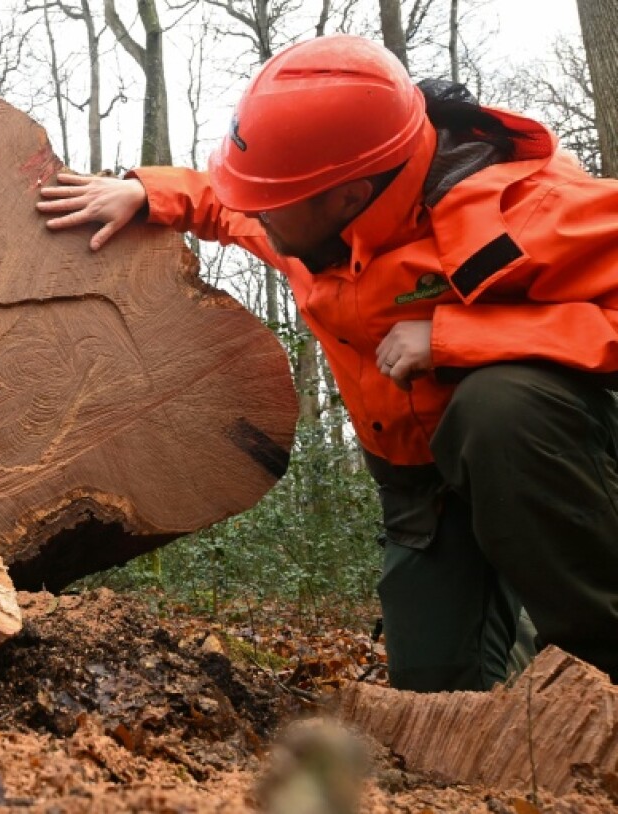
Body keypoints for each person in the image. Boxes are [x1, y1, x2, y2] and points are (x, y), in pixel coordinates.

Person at [37, 34, 618, 692]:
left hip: (533, 450)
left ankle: (602, 670)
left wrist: (453, 337)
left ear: (348, 196)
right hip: (419, 490)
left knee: (501, 408)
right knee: (438, 695)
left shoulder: (522, 211)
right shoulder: (311, 217)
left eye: (270, 201)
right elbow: (231, 207)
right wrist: (145, 193)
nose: (254, 212)